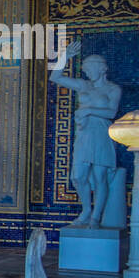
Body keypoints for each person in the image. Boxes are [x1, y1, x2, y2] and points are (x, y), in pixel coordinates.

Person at [49, 41, 121, 227]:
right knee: (78, 176)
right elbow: (55, 77)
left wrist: (88, 110)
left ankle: (96, 217)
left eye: (89, 69)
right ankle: (86, 209)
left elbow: (112, 113)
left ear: (101, 69)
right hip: (84, 134)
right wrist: (64, 57)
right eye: (85, 69)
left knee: (99, 176)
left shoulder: (113, 89)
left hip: (102, 134)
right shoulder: (83, 85)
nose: (86, 72)